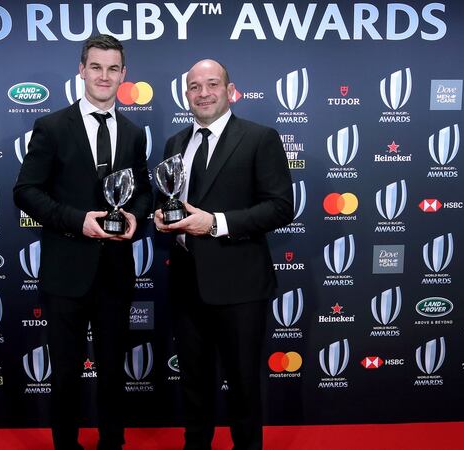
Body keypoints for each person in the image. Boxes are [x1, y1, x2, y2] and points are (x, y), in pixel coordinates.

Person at [13, 34, 152, 450]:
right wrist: (78, 221)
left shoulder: (133, 132)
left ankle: (113, 442)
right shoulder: (52, 127)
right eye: (96, 67)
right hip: (66, 271)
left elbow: (143, 191)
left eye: (113, 68)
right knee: (67, 372)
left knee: (113, 370)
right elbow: (26, 191)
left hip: (114, 272)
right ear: (82, 69)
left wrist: (134, 215)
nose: (104, 76)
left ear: (123, 75)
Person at [154, 59, 294, 450]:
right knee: (194, 383)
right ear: (186, 94)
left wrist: (215, 223)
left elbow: (281, 207)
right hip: (186, 282)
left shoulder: (259, 138)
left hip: (240, 285)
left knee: (244, 383)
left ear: (230, 90)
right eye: (195, 87)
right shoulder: (175, 143)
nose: (203, 93)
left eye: (212, 84)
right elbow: (171, 201)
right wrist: (162, 218)